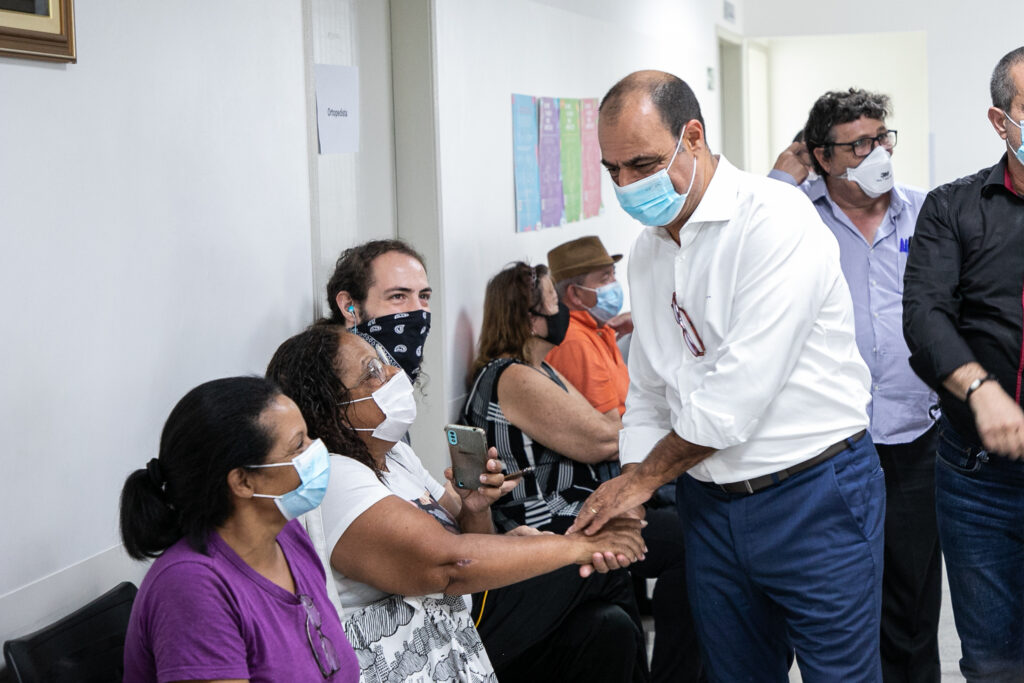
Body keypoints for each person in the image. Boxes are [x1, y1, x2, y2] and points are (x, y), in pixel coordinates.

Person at [569, 70, 884, 682]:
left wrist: (637, 485)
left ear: (692, 136)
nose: (628, 186)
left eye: (641, 163)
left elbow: (735, 397)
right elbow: (652, 392)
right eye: (614, 171)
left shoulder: (774, 219)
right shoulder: (651, 249)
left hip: (813, 493)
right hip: (709, 505)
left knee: (840, 676)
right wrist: (634, 496)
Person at [266, 324, 649, 683]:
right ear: (329, 406)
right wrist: (580, 545)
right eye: (372, 372)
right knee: (601, 570)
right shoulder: (336, 476)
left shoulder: (395, 454)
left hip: (458, 624)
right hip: (420, 649)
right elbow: (449, 565)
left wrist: (476, 507)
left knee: (605, 628)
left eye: (384, 363)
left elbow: (468, 537)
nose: (392, 375)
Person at [769, 89, 941, 682]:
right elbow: (735, 247)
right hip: (830, 447)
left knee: (912, 604)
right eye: (858, 144)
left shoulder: (924, 213)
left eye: (882, 137)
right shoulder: (791, 214)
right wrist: (778, 178)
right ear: (821, 155)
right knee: (838, 602)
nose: (878, 153)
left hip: (917, 435)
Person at [474, 257, 702, 681]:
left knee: (690, 534)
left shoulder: (542, 369)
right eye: (552, 304)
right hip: (548, 522)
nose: (562, 311)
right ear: (529, 320)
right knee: (688, 544)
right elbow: (601, 438)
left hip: (581, 508)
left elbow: (607, 425)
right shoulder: (512, 377)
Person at [902, 46, 1024, 681]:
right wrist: (981, 388)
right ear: (1001, 121)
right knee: (995, 660)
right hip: (981, 479)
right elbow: (924, 318)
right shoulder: (951, 208)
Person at [119, 376, 359, 683]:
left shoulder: (287, 536)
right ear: (243, 482)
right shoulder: (191, 586)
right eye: (299, 445)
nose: (317, 451)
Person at [324, 238, 432, 381]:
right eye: (398, 296)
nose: (418, 310)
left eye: (423, 296)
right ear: (349, 306)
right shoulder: (325, 390)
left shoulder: (394, 394)